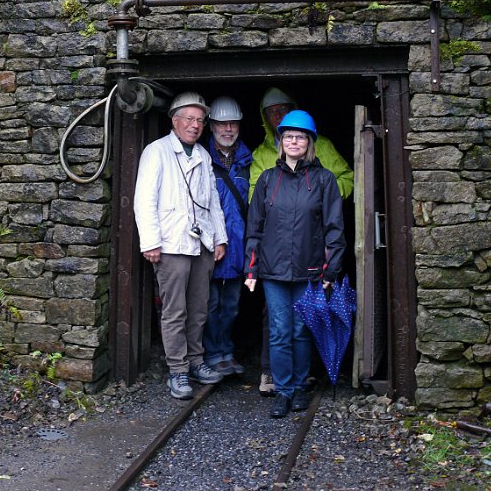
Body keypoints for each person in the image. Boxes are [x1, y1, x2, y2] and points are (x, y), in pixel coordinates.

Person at [249, 87, 354, 396]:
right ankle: (282, 390)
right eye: (288, 136)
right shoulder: (267, 176)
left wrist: (330, 272)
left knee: (300, 330)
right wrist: (251, 270)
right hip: (273, 269)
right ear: (280, 139)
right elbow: (255, 225)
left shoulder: (324, 179)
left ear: (310, 142)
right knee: (280, 331)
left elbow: (335, 228)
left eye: (300, 137)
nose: (293, 141)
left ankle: (297, 386)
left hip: (309, 269)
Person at [134, 91, 229, 400]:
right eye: (189, 119)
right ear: (174, 121)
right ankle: (177, 370)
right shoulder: (156, 151)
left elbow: (212, 200)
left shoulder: (202, 154)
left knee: (199, 309)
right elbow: (144, 200)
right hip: (171, 243)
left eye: (200, 120)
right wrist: (150, 242)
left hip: (201, 243)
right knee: (175, 311)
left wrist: (219, 237)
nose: (195, 125)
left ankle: (196, 362)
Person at [203, 96, 253, 376]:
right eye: (222, 124)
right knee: (210, 305)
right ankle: (212, 353)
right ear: (211, 126)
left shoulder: (248, 160)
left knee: (231, 305)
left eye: (232, 123)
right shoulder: (201, 158)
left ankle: (226, 351)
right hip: (211, 246)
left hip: (239, 245)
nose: (228, 129)